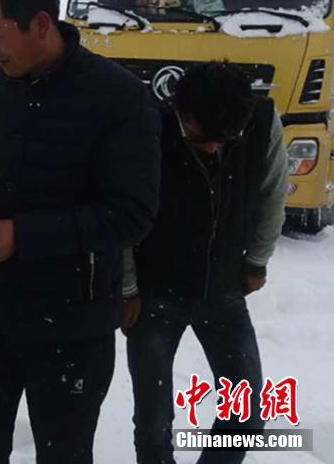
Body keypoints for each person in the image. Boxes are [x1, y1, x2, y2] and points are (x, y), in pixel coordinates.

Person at [0, 0, 162, 463]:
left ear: (40, 24)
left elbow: (132, 214)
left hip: (71, 325)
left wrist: (20, 236)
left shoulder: (119, 98)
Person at [121, 61, 288, 464]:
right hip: (154, 291)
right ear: (179, 109)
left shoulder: (261, 122)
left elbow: (273, 192)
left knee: (246, 417)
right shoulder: (146, 127)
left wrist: (256, 260)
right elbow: (122, 213)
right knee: (153, 424)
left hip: (223, 287)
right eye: (199, 137)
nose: (212, 148)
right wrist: (126, 288)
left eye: (224, 139)